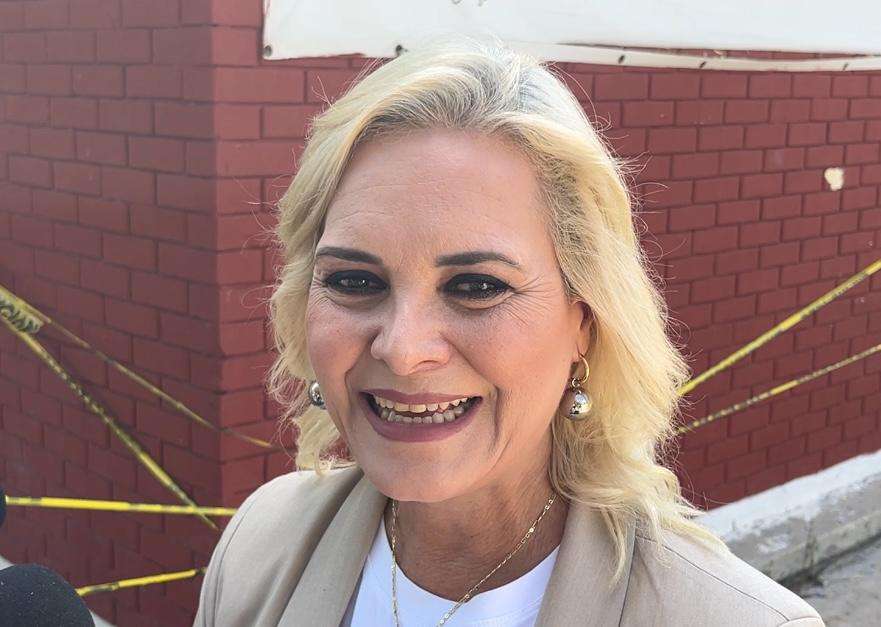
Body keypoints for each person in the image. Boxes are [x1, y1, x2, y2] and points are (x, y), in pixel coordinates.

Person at [194, 34, 824, 626]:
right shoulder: (260, 542)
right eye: (355, 281)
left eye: (477, 287)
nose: (404, 350)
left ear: (586, 322)